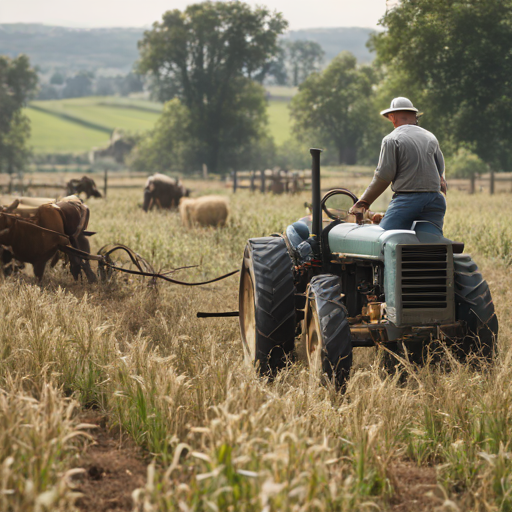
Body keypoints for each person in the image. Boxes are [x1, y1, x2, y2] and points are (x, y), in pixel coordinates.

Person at [349, 97, 447, 232]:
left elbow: (383, 176)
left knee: (384, 238)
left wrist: (363, 203)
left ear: (392, 117)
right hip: (435, 200)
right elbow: (440, 170)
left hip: (407, 201)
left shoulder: (391, 139)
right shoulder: (431, 137)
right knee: (430, 242)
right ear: (414, 117)